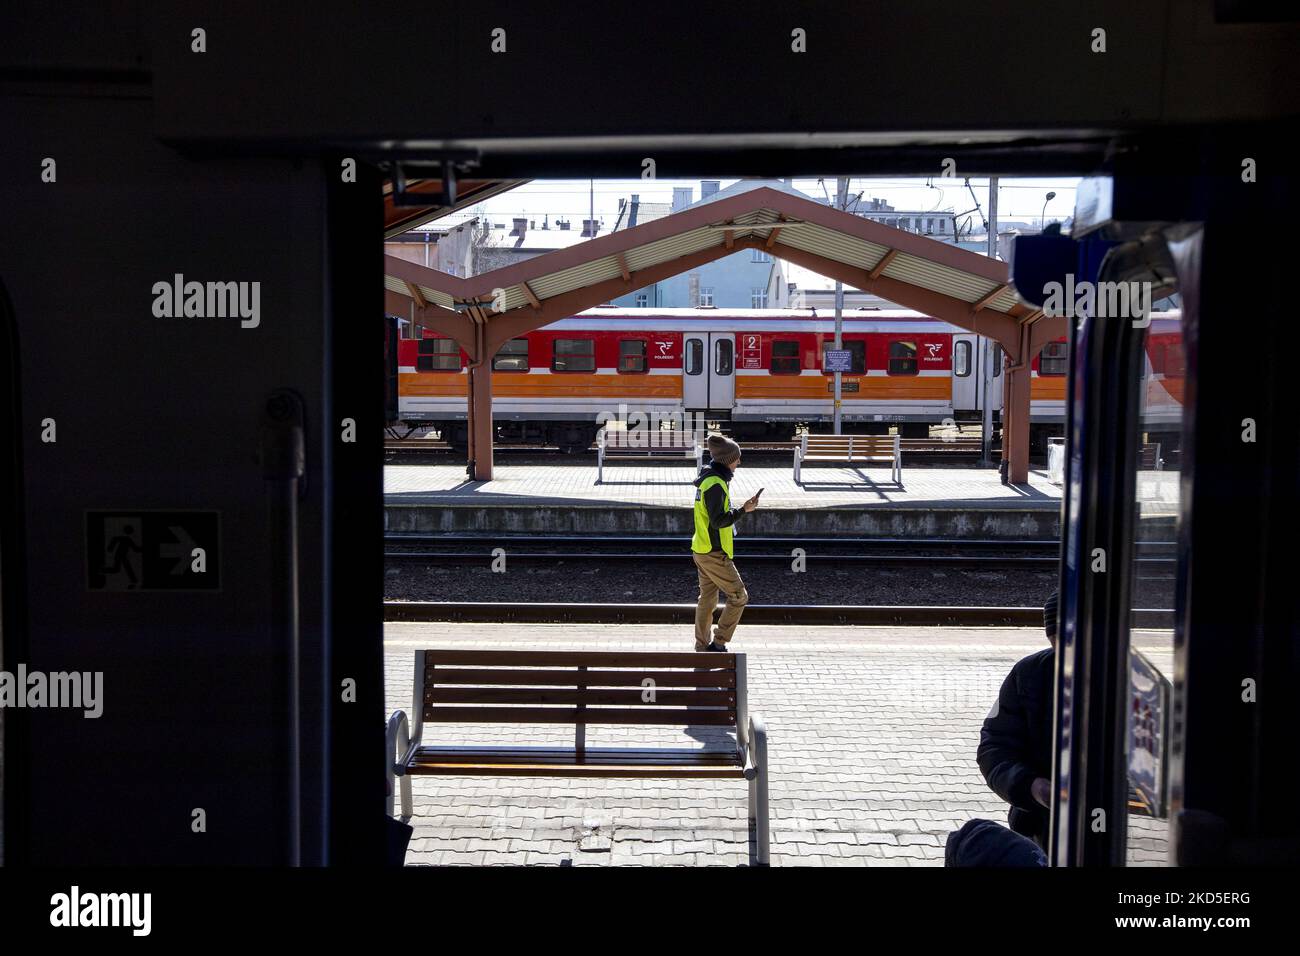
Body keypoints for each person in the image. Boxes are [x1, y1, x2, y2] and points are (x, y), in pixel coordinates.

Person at [976, 591, 1059, 849]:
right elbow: (994, 748)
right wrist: (1032, 787)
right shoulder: (1030, 673)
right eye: (1058, 645)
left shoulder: (1136, 682)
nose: (1068, 657)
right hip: (1038, 826)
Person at [690, 434, 760, 652]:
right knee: (739, 596)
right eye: (737, 459)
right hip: (713, 552)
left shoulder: (710, 480)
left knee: (708, 601)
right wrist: (743, 511)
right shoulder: (716, 485)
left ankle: (701, 647)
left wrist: (737, 509)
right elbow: (719, 521)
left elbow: (716, 514)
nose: (739, 462)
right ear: (728, 460)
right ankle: (719, 643)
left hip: (701, 548)